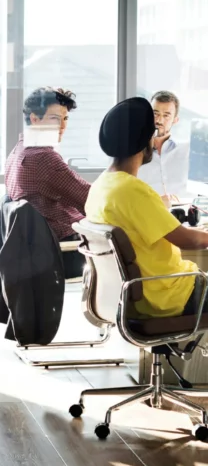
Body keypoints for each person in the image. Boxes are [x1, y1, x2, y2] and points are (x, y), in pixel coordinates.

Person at [86, 97, 208, 318]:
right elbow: (190, 241)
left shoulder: (102, 185)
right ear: (145, 141)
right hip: (169, 294)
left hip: (133, 295)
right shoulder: (133, 191)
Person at [4, 86, 90, 277]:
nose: (62, 126)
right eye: (54, 118)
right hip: (62, 252)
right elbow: (90, 199)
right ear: (35, 119)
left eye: (65, 118)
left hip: (36, 250)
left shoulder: (18, 150)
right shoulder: (43, 157)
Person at [138, 90, 190, 203]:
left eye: (166, 115)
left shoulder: (188, 152)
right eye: (155, 113)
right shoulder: (133, 153)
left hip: (184, 215)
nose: (159, 120)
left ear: (175, 120)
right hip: (147, 214)